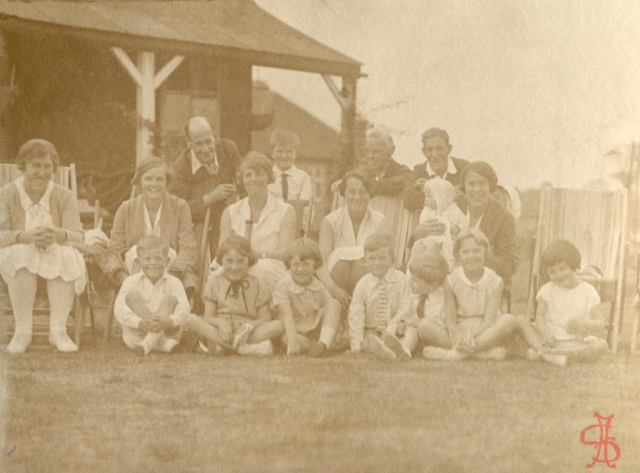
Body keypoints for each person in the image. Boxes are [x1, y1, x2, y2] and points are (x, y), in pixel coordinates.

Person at [0, 139, 86, 353]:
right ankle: (22, 332)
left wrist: (59, 234)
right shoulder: (6, 195)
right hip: (20, 253)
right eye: (35, 165)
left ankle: (58, 331)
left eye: (47, 166)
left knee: (66, 255)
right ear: (23, 167)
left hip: (53, 251)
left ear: (54, 169)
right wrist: (24, 236)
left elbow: (78, 236)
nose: (41, 172)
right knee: (19, 253)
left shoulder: (64, 196)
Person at [410, 160, 519, 286]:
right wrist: (419, 233)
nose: (477, 189)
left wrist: (475, 256)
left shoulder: (503, 217)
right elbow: (420, 237)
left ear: (491, 186)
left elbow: (511, 264)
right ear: (464, 186)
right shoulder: (450, 204)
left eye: (482, 184)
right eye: (471, 184)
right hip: (445, 277)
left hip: (485, 283)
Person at [105, 157, 198, 296]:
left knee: (169, 253)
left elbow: (188, 249)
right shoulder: (125, 209)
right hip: (134, 274)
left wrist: (171, 276)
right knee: (134, 251)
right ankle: (139, 307)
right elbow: (113, 251)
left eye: (159, 179)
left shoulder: (180, 207)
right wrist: (126, 280)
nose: (154, 184)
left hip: (170, 271)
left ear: (166, 181)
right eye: (148, 179)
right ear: (139, 182)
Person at [422, 229, 516, 361]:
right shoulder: (450, 280)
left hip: (485, 331)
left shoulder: (496, 281)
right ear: (458, 255)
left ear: (485, 252)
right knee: (424, 325)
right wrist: (459, 335)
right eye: (465, 252)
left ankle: (455, 354)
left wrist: (472, 337)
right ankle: (482, 353)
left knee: (509, 320)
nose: (472, 256)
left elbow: (489, 321)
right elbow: (451, 320)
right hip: (459, 330)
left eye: (477, 251)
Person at [184, 235, 284, 355]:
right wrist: (221, 323)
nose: (234, 267)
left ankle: (227, 347)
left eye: (241, 261)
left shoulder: (257, 282)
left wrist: (249, 326)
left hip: (248, 332)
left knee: (278, 325)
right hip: (222, 331)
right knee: (190, 319)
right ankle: (243, 349)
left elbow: (265, 317)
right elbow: (208, 317)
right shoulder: (214, 281)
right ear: (222, 260)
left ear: (249, 260)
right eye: (229, 261)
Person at [514, 240, 609, 364]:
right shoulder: (547, 290)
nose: (558, 275)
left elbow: (600, 323)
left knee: (601, 345)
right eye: (552, 272)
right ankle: (551, 355)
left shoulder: (589, 291)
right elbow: (540, 318)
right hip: (551, 341)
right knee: (521, 321)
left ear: (573, 265)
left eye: (562, 269)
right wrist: (546, 333)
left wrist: (585, 324)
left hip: (578, 342)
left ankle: (550, 355)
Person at [219, 152, 297, 291]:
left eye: (259, 174)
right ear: (242, 179)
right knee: (216, 275)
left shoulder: (286, 211)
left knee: (259, 269)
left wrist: (258, 254)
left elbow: (285, 253)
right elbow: (222, 250)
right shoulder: (230, 212)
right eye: (248, 175)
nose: (253, 179)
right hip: (236, 265)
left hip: (271, 269)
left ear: (269, 178)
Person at [168, 117, 241, 254]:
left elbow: (243, 178)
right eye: (198, 144)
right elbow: (177, 209)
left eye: (209, 141)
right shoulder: (181, 168)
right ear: (189, 143)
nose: (205, 149)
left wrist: (236, 193)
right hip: (199, 227)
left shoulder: (228, 149)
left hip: (231, 217)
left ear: (215, 137)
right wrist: (210, 197)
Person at [318, 171, 390, 306]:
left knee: (362, 264)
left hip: (369, 289)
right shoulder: (329, 221)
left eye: (363, 192)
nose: (357, 197)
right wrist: (333, 289)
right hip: (334, 285)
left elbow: (384, 260)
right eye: (352, 192)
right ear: (344, 194)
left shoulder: (381, 222)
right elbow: (320, 263)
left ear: (370, 194)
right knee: (342, 264)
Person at [113, 235, 190, 356]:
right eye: (147, 259)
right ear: (138, 262)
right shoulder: (130, 281)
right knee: (131, 296)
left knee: (171, 299)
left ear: (167, 261)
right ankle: (161, 343)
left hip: (167, 330)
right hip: (137, 335)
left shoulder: (174, 282)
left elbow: (185, 310)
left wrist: (168, 322)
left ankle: (148, 343)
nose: (153, 263)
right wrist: (140, 323)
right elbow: (119, 309)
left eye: (158, 259)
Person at [348, 233, 413, 360]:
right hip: (373, 328)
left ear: (392, 260)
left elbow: (406, 306)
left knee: (411, 332)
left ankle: (403, 349)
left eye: (382, 258)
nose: (377, 263)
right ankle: (382, 351)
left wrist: (391, 329)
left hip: (397, 329)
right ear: (365, 261)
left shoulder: (401, 279)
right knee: (368, 339)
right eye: (372, 258)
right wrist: (355, 345)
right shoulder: (363, 284)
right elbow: (356, 314)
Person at [272, 238, 341, 357]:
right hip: (293, 328)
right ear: (289, 265)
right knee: (287, 339)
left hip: (314, 327)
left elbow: (329, 310)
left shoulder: (317, 285)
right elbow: (286, 316)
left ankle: (323, 343)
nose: (300, 269)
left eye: (306, 264)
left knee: (334, 304)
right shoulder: (283, 286)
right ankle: (315, 347)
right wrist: (293, 340)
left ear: (315, 266)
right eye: (295, 264)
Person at [403, 127, 469, 211]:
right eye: (429, 150)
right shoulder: (419, 170)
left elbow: (473, 196)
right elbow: (409, 200)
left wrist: (432, 187)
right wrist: (452, 191)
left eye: (440, 149)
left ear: (449, 149)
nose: (434, 155)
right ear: (423, 151)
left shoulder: (464, 167)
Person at [413, 177, 468, 269]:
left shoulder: (454, 211)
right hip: (429, 242)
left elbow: (464, 228)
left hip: (450, 244)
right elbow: (424, 225)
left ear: (441, 197)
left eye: (429, 196)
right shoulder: (427, 212)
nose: (425, 199)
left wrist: (454, 228)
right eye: (425, 196)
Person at [266, 128, 313, 233]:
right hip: (269, 228)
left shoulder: (303, 178)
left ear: (296, 154)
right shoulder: (266, 176)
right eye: (279, 151)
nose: (284, 156)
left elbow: (306, 209)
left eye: (289, 152)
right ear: (272, 153)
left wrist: (299, 230)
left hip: (295, 228)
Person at [404, 252, 450, 355]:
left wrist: (419, 322)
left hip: (442, 336)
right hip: (424, 337)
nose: (410, 282)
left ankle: (441, 352)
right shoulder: (419, 295)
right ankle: (405, 350)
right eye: (411, 278)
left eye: (415, 281)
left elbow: (444, 324)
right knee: (412, 326)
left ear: (431, 286)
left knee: (423, 325)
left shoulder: (442, 300)